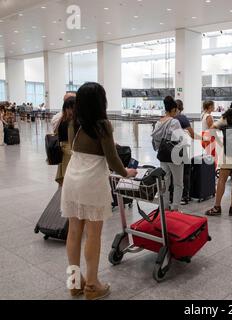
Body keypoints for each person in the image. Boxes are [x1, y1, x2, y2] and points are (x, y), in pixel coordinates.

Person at [61, 82, 137, 300]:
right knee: (93, 234)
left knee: (74, 232)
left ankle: (75, 283)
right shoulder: (103, 125)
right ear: (100, 102)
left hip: (72, 179)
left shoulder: (74, 123)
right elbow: (112, 159)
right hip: (92, 182)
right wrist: (127, 173)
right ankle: (93, 285)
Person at [152, 96, 185, 211]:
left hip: (163, 156)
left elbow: (156, 141)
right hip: (174, 156)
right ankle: (175, 208)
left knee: (165, 182)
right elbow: (179, 138)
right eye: (176, 110)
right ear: (173, 110)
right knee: (178, 183)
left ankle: (164, 207)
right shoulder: (174, 122)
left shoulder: (158, 122)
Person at [55, 97, 76, 186]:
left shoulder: (64, 119)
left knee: (65, 175)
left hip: (66, 150)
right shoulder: (67, 120)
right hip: (67, 150)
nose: (70, 110)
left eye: (72, 108)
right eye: (68, 108)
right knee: (67, 176)